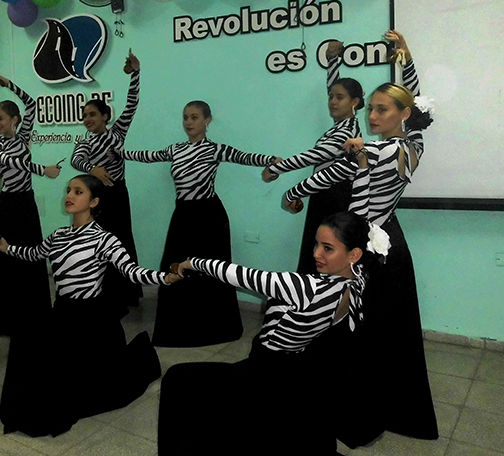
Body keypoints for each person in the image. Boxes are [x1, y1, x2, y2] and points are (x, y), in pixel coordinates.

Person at [282, 30, 438, 444]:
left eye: (381, 110)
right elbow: (417, 101)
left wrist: (295, 192)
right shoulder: (415, 143)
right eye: (370, 108)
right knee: (391, 329)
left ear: (400, 115)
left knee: (359, 330)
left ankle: (357, 408)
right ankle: (394, 403)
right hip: (393, 244)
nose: (372, 115)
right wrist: (406, 58)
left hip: (367, 249)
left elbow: (345, 188)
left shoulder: (378, 151)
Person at [158, 211, 380, 455]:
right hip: (295, 370)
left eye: (328, 248)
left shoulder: (306, 288)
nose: (316, 253)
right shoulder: (358, 282)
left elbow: (235, 274)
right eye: (316, 244)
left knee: (177, 378)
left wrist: (189, 263)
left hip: (264, 374)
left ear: (355, 254)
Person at [0, 174, 182, 437]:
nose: (69, 195)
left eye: (78, 192)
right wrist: (5, 246)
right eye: (69, 190)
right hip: (62, 312)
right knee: (24, 337)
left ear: (94, 202)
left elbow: (132, 271)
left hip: (91, 319)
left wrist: (165, 278)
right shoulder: (59, 235)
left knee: (72, 378)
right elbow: (33, 254)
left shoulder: (104, 239)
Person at [116, 101, 279, 347]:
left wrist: (273, 160)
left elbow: (245, 157)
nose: (189, 122)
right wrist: (119, 153)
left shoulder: (215, 149)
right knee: (174, 269)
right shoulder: (176, 149)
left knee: (212, 271)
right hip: (183, 215)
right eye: (185, 118)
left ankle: (216, 328)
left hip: (209, 217)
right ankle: (176, 330)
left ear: (207, 121)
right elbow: (147, 156)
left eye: (194, 117)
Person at [262, 40, 365, 274]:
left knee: (326, 258)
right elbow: (334, 85)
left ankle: (320, 305)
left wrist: (276, 169)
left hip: (335, 199)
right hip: (324, 197)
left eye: (340, 97)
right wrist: (333, 61)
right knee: (317, 255)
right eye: (331, 97)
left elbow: (314, 156)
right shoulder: (340, 126)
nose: (332, 101)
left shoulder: (347, 131)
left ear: (355, 102)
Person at [0, 74, 62, 336]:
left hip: (26, 204)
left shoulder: (23, 137)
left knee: (30, 255)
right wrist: (42, 169)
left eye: (0, 118)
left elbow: (31, 103)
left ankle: (32, 313)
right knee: (6, 259)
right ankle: (5, 317)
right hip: (8, 205)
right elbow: (14, 163)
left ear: (14, 120)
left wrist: (8, 84)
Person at [71, 49, 144, 311]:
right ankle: (103, 290)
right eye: (85, 116)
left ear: (104, 116)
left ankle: (127, 292)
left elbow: (132, 104)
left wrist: (135, 73)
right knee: (101, 243)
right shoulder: (86, 143)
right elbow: (75, 160)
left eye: (92, 114)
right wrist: (94, 169)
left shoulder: (117, 133)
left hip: (119, 195)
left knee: (122, 240)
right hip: (98, 201)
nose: (87, 119)